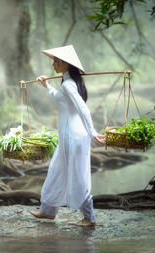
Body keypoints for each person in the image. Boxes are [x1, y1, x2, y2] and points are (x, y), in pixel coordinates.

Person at [30, 45, 105, 227]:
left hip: (74, 137)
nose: (53, 65)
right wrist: (46, 85)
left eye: (56, 61)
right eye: (53, 61)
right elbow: (59, 97)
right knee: (56, 171)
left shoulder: (70, 84)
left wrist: (93, 132)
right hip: (68, 138)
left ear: (66, 64)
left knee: (78, 176)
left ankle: (89, 218)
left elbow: (83, 109)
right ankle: (48, 211)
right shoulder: (67, 83)